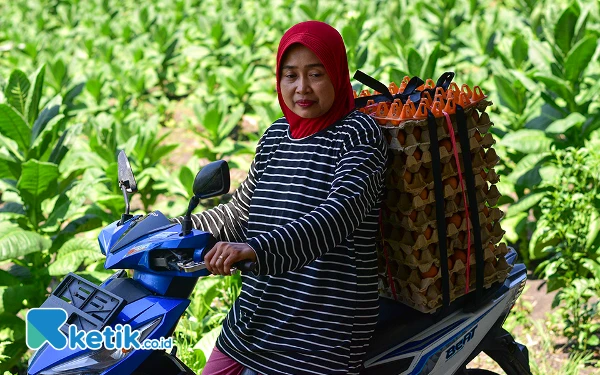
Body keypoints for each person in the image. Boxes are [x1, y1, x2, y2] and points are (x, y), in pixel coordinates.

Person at [172, 21, 387, 375]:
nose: (302, 88)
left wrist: (257, 250)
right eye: (291, 75)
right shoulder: (276, 136)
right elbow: (242, 210)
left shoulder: (358, 134)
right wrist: (174, 227)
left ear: (336, 73)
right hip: (255, 315)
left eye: (316, 74)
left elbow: (339, 215)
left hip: (320, 329)